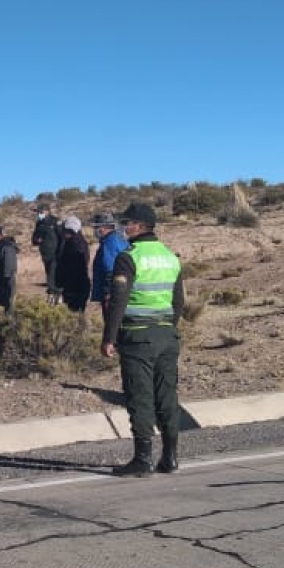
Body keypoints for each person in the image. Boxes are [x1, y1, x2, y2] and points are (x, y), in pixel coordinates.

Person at [101, 203, 186, 478]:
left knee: (140, 396)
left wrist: (109, 337)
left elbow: (118, 300)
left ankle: (143, 459)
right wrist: (168, 328)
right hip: (166, 336)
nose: (124, 228)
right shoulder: (170, 257)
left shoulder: (129, 257)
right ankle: (170, 457)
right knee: (166, 395)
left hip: (137, 337)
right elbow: (178, 301)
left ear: (139, 226)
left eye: (127, 223)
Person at [90, 212, 127, 320]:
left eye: (96, 227)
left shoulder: (109, 243)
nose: (95, 230)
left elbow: (109, 270)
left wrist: (108, 293)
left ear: (103, 228)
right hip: (123, 291)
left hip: (112, 293)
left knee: (111, 322)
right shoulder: (120, 239)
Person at [54, 216, 91, 312]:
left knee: (74, 313)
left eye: (64, 230)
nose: (62, 232)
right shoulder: (72, 243)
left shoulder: (76, 246)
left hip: (75, 288)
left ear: (71, 231)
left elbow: (74, 269)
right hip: (74, 286)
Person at [30, 202, 62, 302]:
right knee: (49, 274)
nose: (39, 214)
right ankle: (52, 295)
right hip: (45, 254)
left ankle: (56, 294)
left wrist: (61, 251)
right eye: (38, 212)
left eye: (41, 212)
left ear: (47, 211)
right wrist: (37, 240)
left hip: (55, 253)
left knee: (54, 274)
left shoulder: (55, 221)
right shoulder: (39, 223)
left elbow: (62, 237)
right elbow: (34, 238)